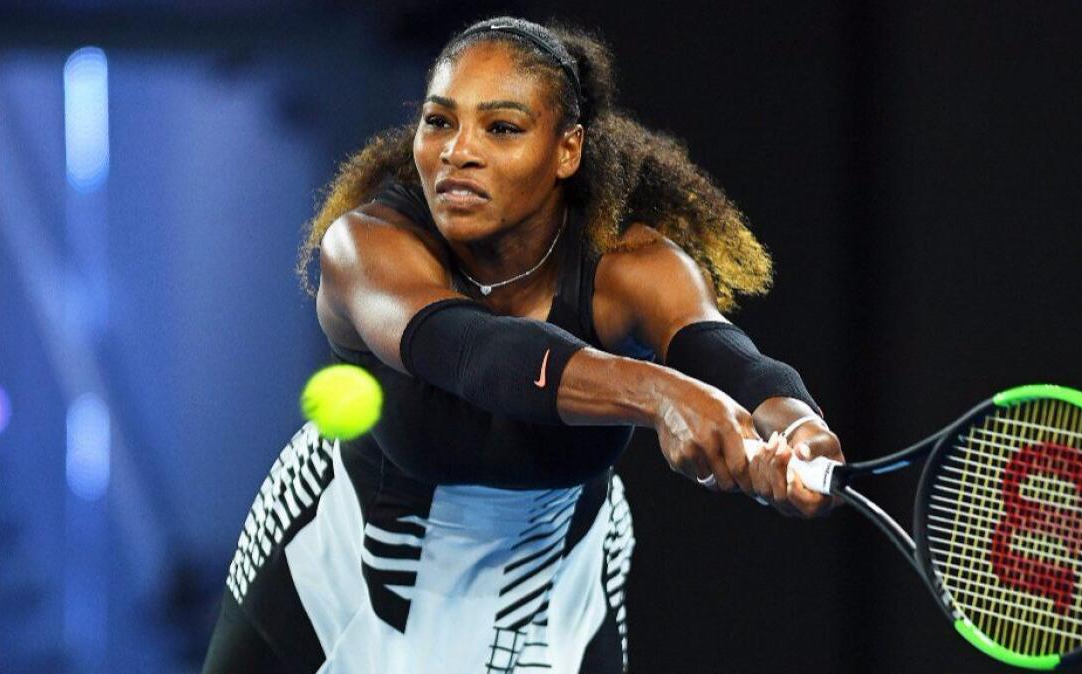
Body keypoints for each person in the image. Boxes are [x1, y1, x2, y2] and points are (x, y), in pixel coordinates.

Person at [202, 16, 845, 674]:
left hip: (552, 585)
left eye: (501, 127)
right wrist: (659, 395)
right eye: (440, 121)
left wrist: (796, 423)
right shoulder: (365, 248)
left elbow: (725, 357)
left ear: (566, 150)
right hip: (339, 571)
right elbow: (475, 353)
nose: (458, 151)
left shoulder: (632, 266)